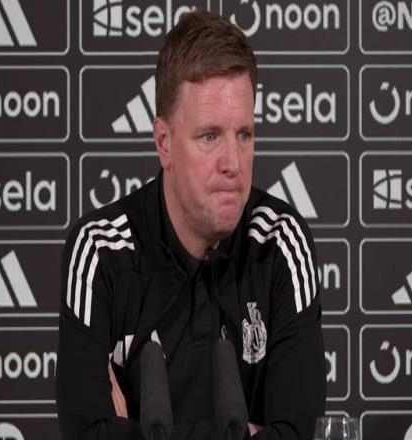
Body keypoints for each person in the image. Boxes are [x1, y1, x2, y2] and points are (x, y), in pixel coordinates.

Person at [57, 9, 326, 440]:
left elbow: (301, 433)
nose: (232, 163)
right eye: (209, 136)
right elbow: (84, 434)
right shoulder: (100, 251)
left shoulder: (280, 241)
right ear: (164, 143)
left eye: (244, 135)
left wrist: (137, 433)